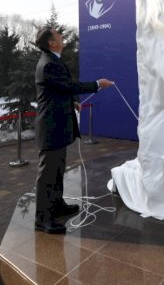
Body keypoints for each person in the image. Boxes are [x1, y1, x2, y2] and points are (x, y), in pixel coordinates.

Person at [33, 26, 113, 234]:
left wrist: (70, 103)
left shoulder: (53, 60)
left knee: (58, 170)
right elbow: (69, 85)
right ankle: (42, 219)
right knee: (48, 174)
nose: (61, 35)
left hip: (57, 126)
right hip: (51, 128)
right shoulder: (49, 64)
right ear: (51, 42)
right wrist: (97, 84)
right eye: (57, 34)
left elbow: (58, 90)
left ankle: (56, 205)